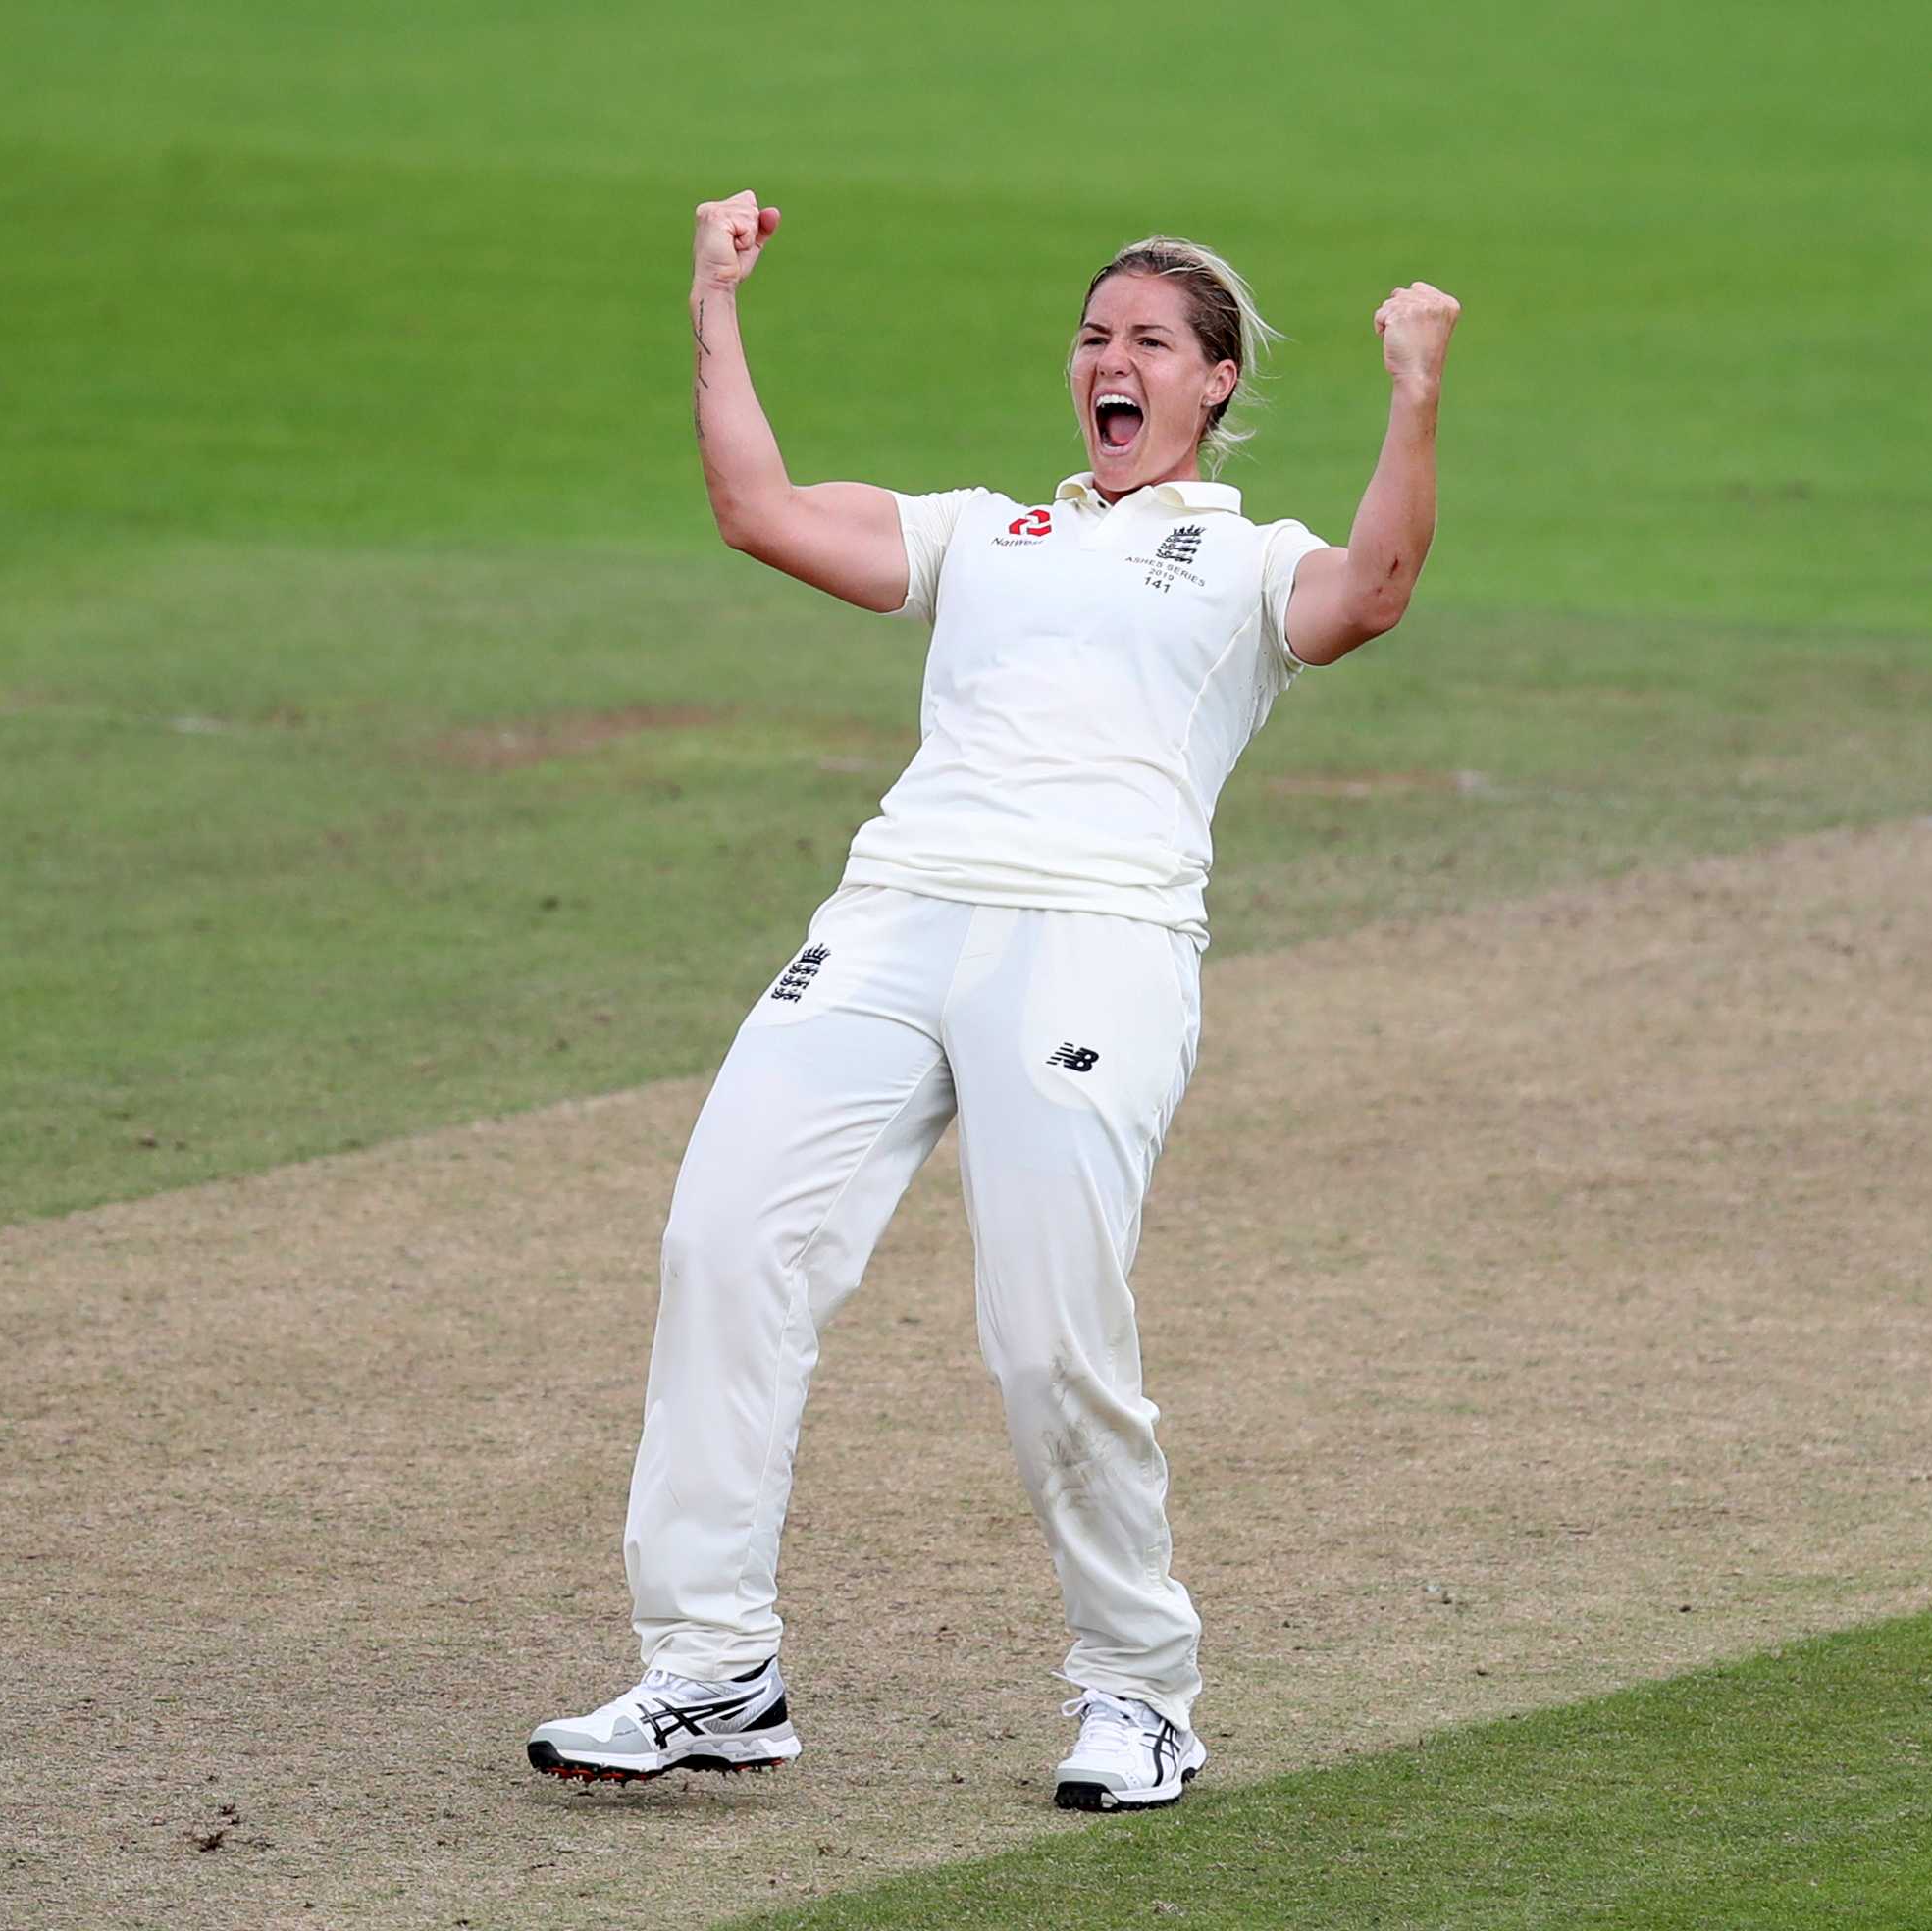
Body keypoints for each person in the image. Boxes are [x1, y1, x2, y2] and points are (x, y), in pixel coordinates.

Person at [529, 191, 1458, 1811]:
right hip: (892, 918)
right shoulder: (982, 531)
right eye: (1096, 336)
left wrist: (1414, 396)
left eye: (1151, 342)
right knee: (725, 1249)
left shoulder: (1248, 563)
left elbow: (1373, 590)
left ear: (1215, 385)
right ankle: (710, 1670)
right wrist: (713, 301)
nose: (1113, 361)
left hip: (1095, 939)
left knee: (1046, 1330)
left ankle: (1138, 1692)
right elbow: (758, 508)